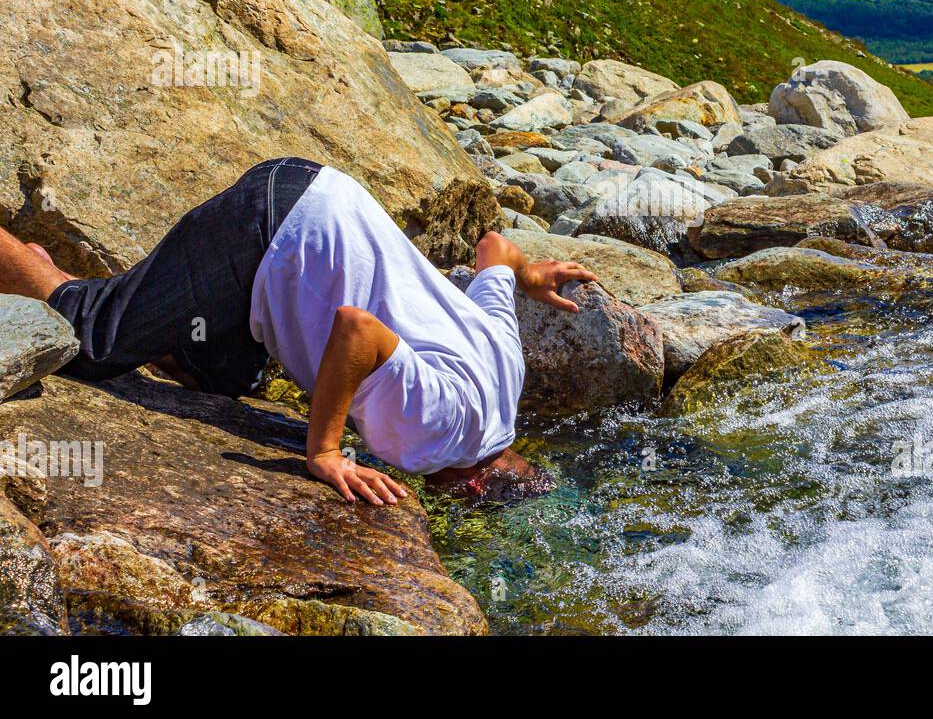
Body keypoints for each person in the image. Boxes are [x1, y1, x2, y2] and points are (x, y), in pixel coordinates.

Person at [0, 157, 595, 504]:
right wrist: (324, 452)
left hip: (313, 194)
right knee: (87, 340)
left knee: (225, 375)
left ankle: (80, 283)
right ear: (472, 488)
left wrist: (529, 273)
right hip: (268, 232)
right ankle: (68, 290)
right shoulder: (433, 434)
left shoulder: (506, 383)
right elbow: (356, 330)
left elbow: (494, 247)